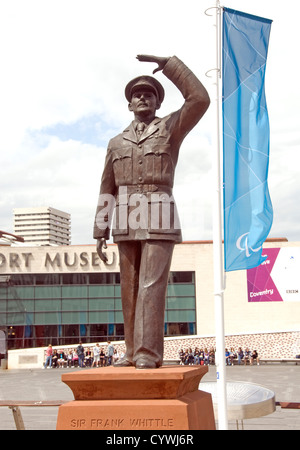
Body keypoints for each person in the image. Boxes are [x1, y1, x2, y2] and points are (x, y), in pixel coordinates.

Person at [94, 54, 210, 369]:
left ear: (158, 104)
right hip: (126, 217)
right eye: (137, 95)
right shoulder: (116, 142)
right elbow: (108, 186)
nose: (142, 97)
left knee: (150, 286)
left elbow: (199, 99)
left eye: (149, 94)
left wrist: (171, 65)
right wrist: (100, 231)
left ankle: (147, 352)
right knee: (129, 287)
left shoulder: (171, 128)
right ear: (129, 104)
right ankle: (132, 352)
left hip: (160, 210)